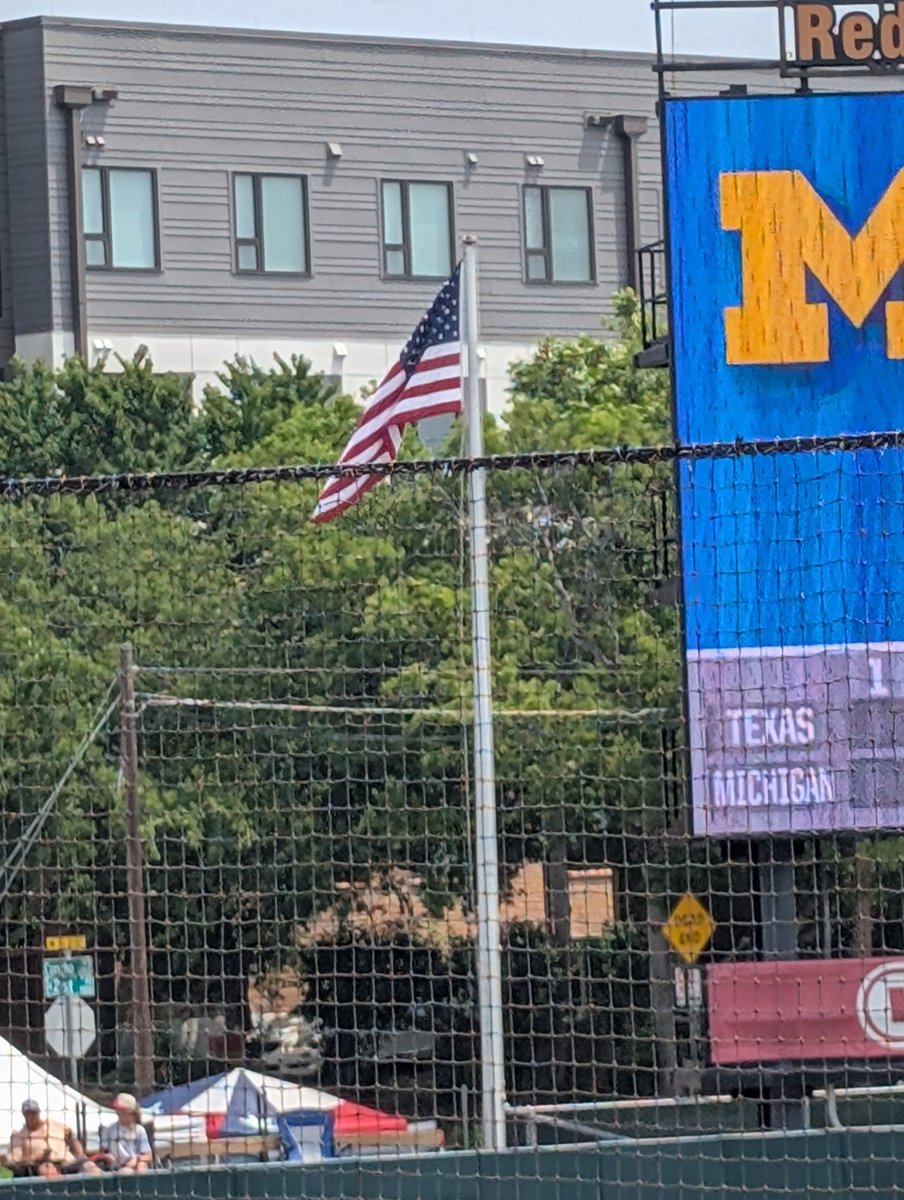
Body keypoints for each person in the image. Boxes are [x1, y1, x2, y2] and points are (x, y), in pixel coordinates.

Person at [1, 1099, 101, 1177]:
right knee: (47, 1170)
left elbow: (73, 1140)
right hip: (39, 1166)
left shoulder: (55, 1126)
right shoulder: (20, 1136)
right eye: (28, 1113)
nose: (31, 1116)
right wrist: (37, 1157)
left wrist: (81, 1156)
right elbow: (13, 1160)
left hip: (66, 1163)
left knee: (90, 1166)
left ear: (39, 1112)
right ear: (24, 1114)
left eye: (34, 1113)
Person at [97, 1093, 153, 1174]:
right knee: (125, 1172)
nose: (119, 1113)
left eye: (122, 1111)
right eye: (118, 1111)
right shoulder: (109, 1130)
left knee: (142, 1168)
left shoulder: (139, 1130)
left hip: (136, 1164)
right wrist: (108, 1157)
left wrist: (137, 1160)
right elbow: (103, 1153)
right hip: (117, 1168)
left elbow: (148, 1156)